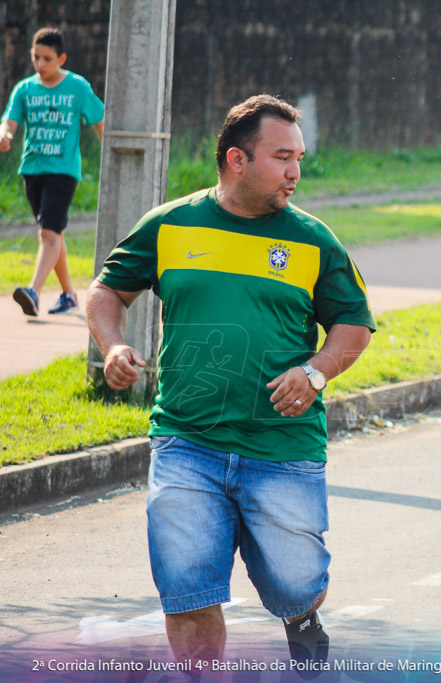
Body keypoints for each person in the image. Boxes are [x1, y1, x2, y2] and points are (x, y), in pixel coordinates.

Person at [86, 95, 375, 669]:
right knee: (188, 592)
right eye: (282, 157)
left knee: (297, 585)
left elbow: (353, 325)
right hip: (186, 441)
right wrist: (112, 345)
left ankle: (300, 616)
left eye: (299, 159)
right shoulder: (170, 225)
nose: (295, 172)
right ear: (237, 160)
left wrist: (315, 371)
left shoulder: (314, 239)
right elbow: (106, 291)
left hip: (281, 446)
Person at [1, 27, 104, 317]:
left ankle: (32, 291)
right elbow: (9, 121)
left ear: (61, 58)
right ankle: (69, 295)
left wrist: (113, 162)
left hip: (63, 170)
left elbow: (99, 122)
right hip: (32, 170)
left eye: (47, 58)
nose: (41, 64)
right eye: (36, 57)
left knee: (48, 232)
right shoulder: (25, 88)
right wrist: (4, 134)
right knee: (52, 234)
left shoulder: (77, 87)